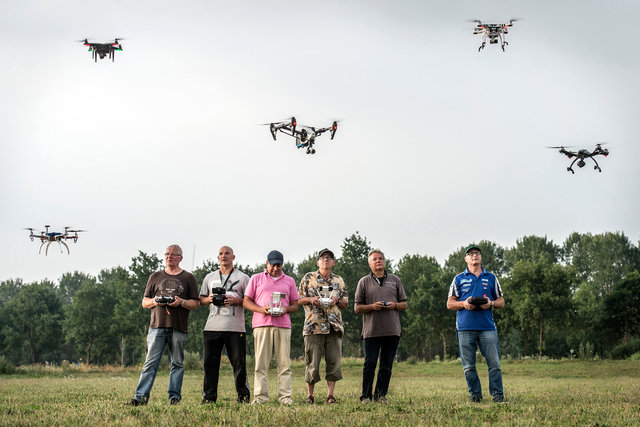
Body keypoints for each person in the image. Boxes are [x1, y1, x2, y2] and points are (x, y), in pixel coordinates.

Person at [129, 244, 199, 406]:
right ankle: (140, 397)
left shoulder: (188, 278)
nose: (169, 257)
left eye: (173, 255)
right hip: (156, 326)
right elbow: (145, 302)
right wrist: (155, 300)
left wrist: (180, 302)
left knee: (177, 363)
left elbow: (195, 304)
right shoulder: (155, 276)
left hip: (178, 327)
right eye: (167, 254)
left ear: (180, 258)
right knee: (150, 363)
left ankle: (174, 397)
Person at [447, 244, 506, 403]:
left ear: (481, 257)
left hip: (488, 328)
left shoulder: (491, 277)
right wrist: (464, 304)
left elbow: (501, 301)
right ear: (466, 258)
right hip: (465, 328)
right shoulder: (458, 278)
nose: (475, 255)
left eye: (477, 253)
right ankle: (475, 396)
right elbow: (450, 304)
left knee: (494, 364)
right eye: (471, 253)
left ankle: (498, 397)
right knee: (468, 367)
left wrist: (491, 303)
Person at [243, 250, 299, 405]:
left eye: (279, 265)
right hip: (262, 325)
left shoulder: (289, 281)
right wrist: (261, 309)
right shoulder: (256, 278)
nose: (275, 268)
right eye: (273, 265)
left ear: (282, 264)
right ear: (266, 263)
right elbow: (246, 301)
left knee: (284, 364)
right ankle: (260, 397)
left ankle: (285, 397)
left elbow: (296, 304)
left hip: (283, 326)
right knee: (261, 364)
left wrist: (286, 309)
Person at [354, 249, 408, 404]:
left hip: (392, 330)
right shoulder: (363, 282)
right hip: (371, 331)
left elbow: (404, 304)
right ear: (370, 263)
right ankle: (366, 396)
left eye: (380, 258)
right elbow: (357, 308)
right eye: (375, 259)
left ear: (384, 261)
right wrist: (372, 306)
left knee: (386, 365)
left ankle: (380, 395)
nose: (378, 261)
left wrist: (395, 305)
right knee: (370, 364)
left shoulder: (395, 280)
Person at [199, 246, 251, 404]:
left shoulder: (243, 277)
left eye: (227, 253)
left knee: (239, 364)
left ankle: (243, 396)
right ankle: (209, 397)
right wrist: (210, 299)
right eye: (221, 254)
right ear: (217, 257)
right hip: (212, 327)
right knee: (210, 364)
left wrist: (236, 301)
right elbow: (200, 300)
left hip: (235, 328)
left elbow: (250, 302)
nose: (224, 256)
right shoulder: (209, 277)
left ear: (233, 257)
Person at [297, 248, 348, 404]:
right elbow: (298, 299)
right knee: (312, 362)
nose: (326, 260)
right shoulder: (308, 278)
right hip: (314, 326)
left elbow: (345, 303)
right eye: (323, 258)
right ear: (318, 262)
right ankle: (310, 396)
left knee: (333, 363)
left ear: (333, 262)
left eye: (329, 258)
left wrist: (336, 301)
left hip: (334, 327)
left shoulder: (338, 280)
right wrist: (312, 300)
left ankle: (330, 396)